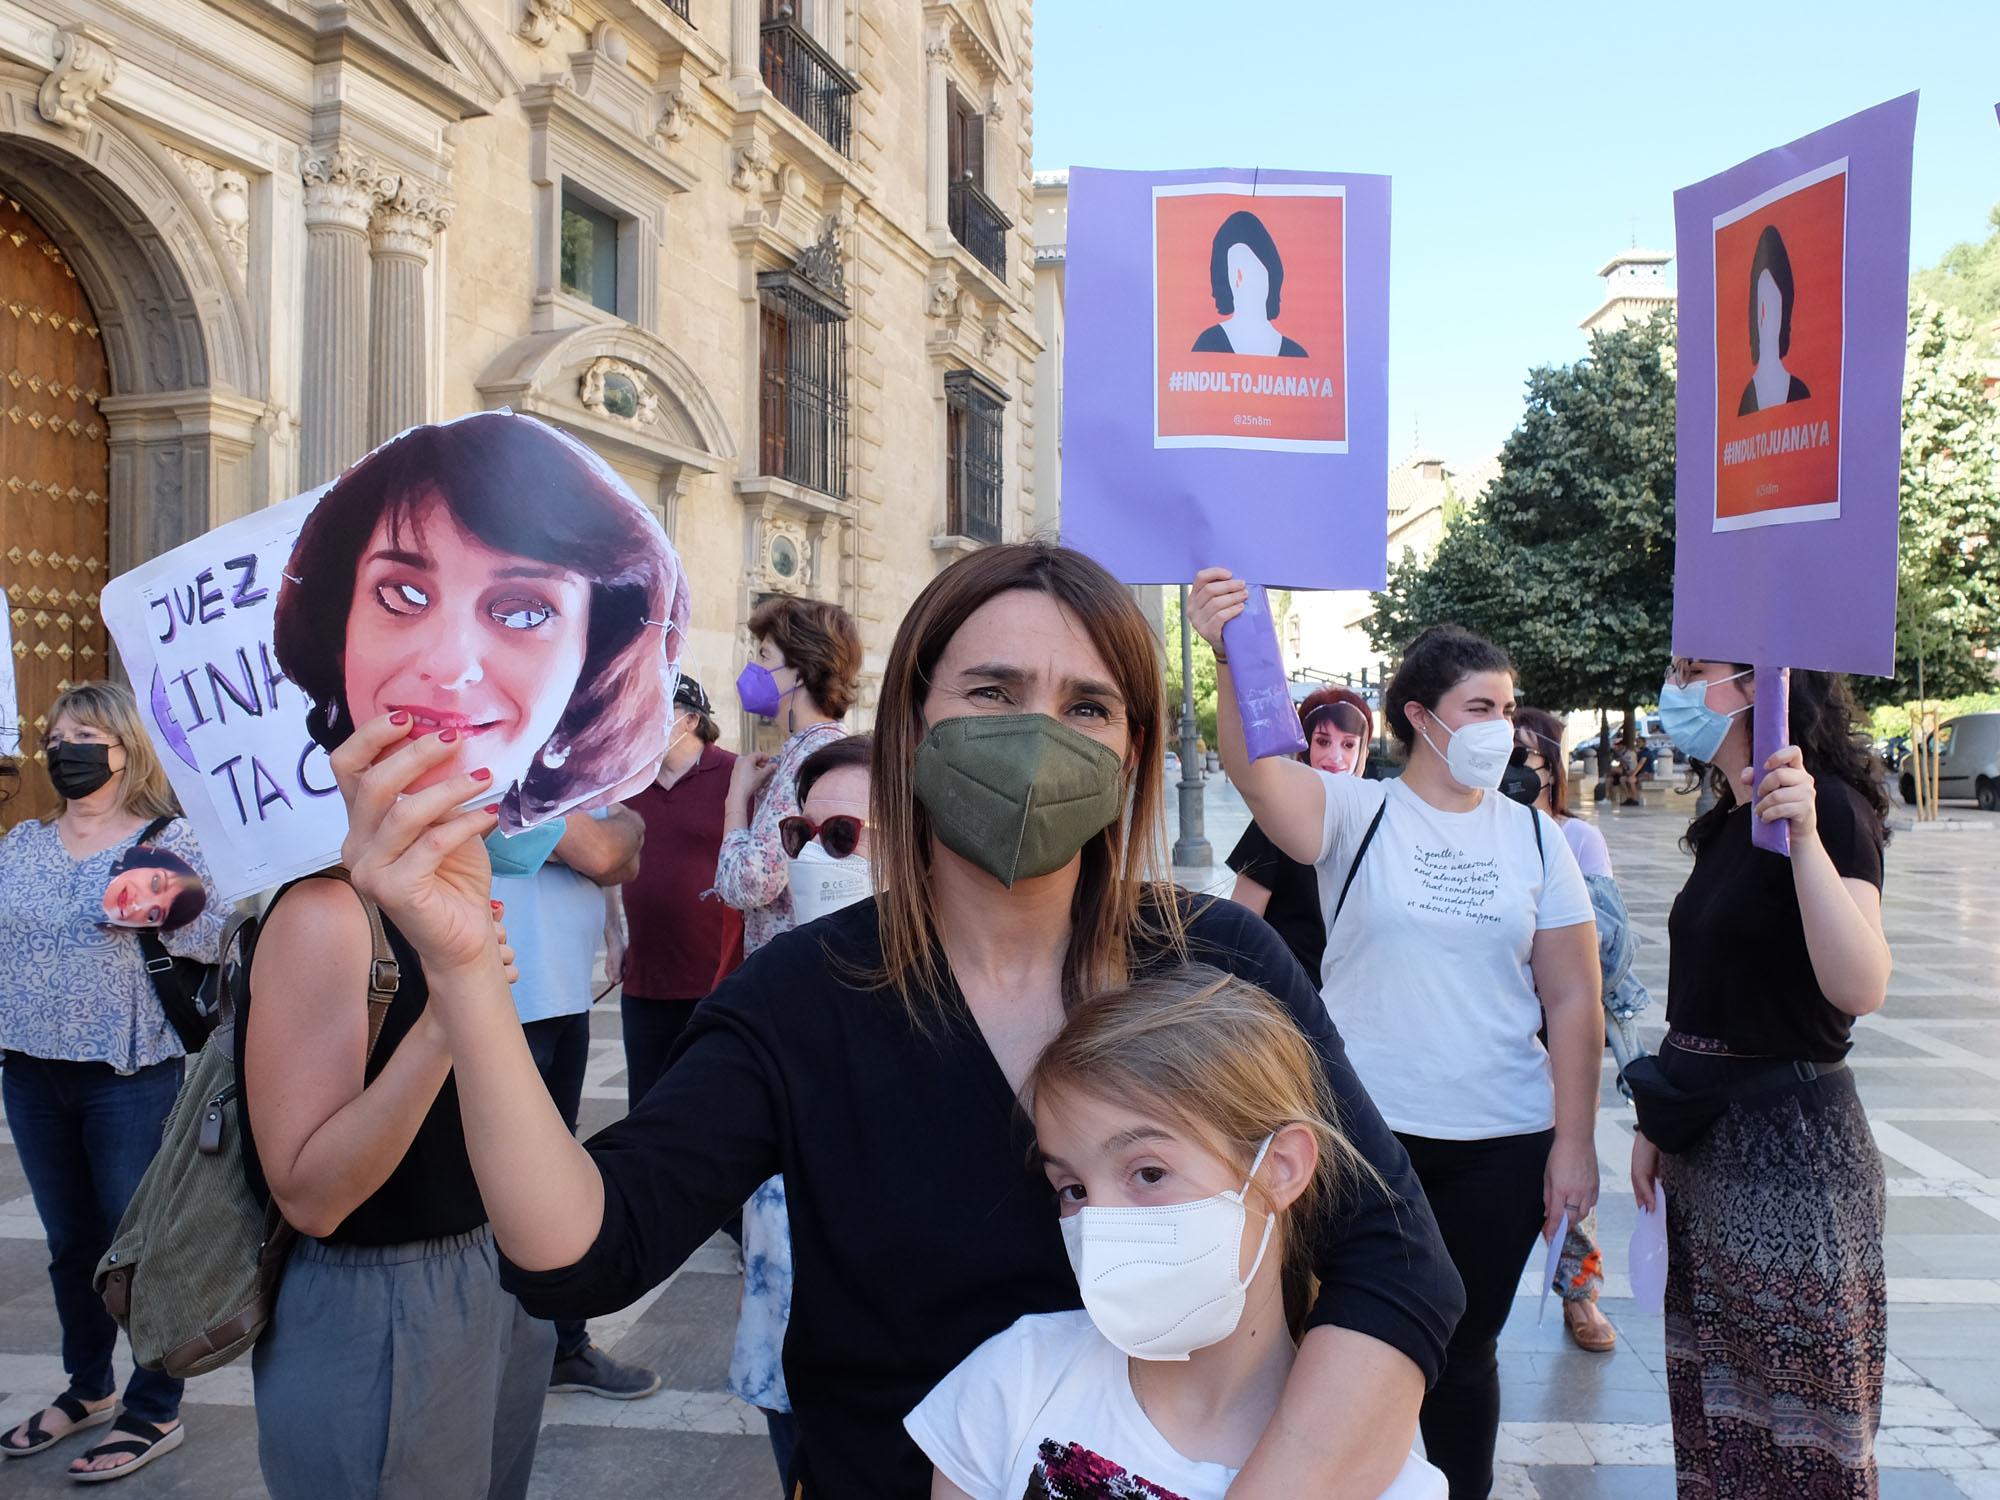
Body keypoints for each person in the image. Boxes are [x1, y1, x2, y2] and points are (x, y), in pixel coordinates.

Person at [331, 540, 1463, 1500]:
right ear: (912, 726)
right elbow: (585, 1248)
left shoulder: (1216, 959)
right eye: (992, 691)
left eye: (1086, 706)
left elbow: (1394, 1260)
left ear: (1130, 751)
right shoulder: (801, 1001)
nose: (1038, 733)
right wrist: (468, 975)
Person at [1191, 571, 1601, 1500]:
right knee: (1342, 1346)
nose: (1504, 723)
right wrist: (1226, 657)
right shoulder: (1358, 813)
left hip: (1501, 1142)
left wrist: (1574, 1144)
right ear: (1422, 716)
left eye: (1508, 704)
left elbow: (1574, 998)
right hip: (1365, 1140)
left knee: (1465, 1354)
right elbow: (1257, 769)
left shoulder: (1536, 841)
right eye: (1482, 705)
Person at [907, 966, 1444, 1500]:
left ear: (1279, 1167)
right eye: (1072, 1189)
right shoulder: (1009, 1386)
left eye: (1149, 1173)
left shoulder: (1388, 1483)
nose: (1101, 1220)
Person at [238, 767, 555, 1500]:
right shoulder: (327, 909)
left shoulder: (445, 893)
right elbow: (312, 1196)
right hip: (385, 1305)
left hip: (496, 1275)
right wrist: (448, 1015)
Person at [1634, 661, 1891, 1498]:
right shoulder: (1719, 829)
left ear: (1757, 685)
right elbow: (1707, 996)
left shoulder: (1832, 814)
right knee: (1721, 1408)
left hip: (1791, 1154)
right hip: (1705, 1154)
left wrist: (1808, 838)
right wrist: (1655, 1122)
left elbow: (1859, 986)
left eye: (1692, 672)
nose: (1676, 690)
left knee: (1803, 1419)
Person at [0, 681, 225, 1480]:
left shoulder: (170, 840)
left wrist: (160, 907)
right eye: (58, 735)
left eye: (86, 734)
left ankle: (153, 1407)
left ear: (126, 749)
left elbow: (224, 930)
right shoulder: (21, 844)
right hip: (28, 1069)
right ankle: (88, 1388)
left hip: (127, 1072)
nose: (68, 748)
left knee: (139, 1249)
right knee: (71, 1247)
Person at [273, 409, 688, 829]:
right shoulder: (318, 890)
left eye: (525, 613)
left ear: (594, 656)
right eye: (403, 595)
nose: (449, 665)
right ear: (337, 625)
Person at [715, 594, 862, 1480]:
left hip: (796, 1008)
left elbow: (751, 879)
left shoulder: (806, 762)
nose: (753, 670)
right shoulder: (826, 753)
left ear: (798, 668)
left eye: (762, 653)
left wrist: (737, 801)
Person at [490, 806, 661, 1401]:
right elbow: (608, 853)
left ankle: (559, 1345)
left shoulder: (560, 767)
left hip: (562, 992)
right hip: (509, 1000)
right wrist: (618, 837)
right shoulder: (499, 757)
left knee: (554, 1181)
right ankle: (509, 1354)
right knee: (507, 1189)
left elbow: (618, 861)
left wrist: (614, 847)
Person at [1513, 708, 1617, 1355]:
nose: (1520, 769)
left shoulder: (1578, 840)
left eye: (1531, 756)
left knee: (1569, 1169)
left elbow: (1608, 943)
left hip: (1555, 1039)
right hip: (1489, 1037)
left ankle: (1581, 1294)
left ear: (1552, 767)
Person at [618, 675, 736, 1108]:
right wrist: (615, 936)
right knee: (645, 1106)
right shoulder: (630, 781)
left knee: (709, 1105)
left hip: (715, 978)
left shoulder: (734, 775)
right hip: (645, 980)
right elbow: (612, 862)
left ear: (688, 720)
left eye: (651, 712)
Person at [1227, 687, 1371, 976]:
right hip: (1286, 996)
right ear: (1304, 746)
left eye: (1348, 745)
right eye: (1322, 741)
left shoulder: (1375, 821)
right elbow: (1240, 922)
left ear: (1363, 750)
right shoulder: (1275, 820)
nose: (1335, 757)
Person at [781, 734, 874, 927]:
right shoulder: (784, 955)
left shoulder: (944, 954)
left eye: (840, 833)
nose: (809, 850)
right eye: (802, 832)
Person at [1192, 210, 1308, 358]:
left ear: (1269, 273)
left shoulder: (1296, 355)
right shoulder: (1207, 345)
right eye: (1234, 271)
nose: (1238, 281)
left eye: (1247, 268)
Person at [1738, 225, 1811, 416]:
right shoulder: (1746, 400)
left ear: (1784, 310)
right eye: (1761, 304)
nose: (1765, 317)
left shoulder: (1800, 393)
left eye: (1772, 304)